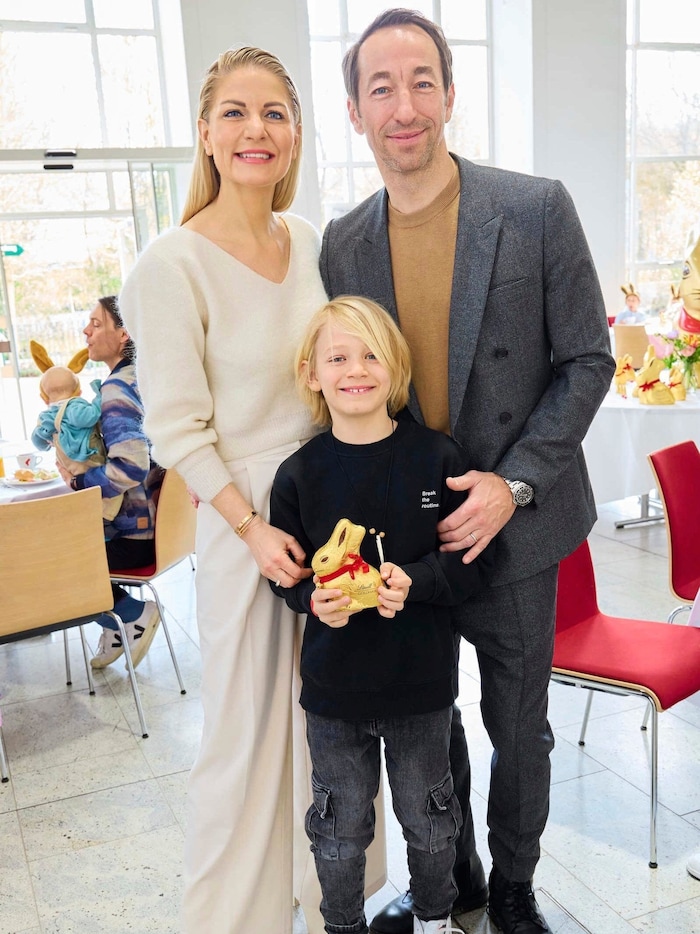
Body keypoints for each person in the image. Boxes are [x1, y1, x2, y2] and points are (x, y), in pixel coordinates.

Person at [319, 10, 615, 934]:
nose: (403, 106)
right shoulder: (343, 243)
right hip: (407, 534)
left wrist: (512, 483)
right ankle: (463, 874)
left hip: (517, 527)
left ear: (449, 93)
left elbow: (586, 361)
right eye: (380, 88)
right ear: (356, 112)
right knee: (425, 718)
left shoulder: (533, 208)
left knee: (517, 726)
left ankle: (518, 885)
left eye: (420, 82)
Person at [119, 46, 384, 934]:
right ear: (204, 133)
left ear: (297, 130)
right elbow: (177, 429)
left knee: (333, 729)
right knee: (245, 734)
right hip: (244, 528)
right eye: (234, 112)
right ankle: (236, 918)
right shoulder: (170, 264)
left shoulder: (310, 240)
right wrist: (248, 529)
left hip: (331, 507)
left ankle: (329, 897)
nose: (254, 130)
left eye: (273, 112)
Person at [270, 296, 496, 934]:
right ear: (311, 374)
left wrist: (417, 581)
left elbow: (470, 566)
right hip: (333, 692)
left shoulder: (438, 459)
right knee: (338, 829)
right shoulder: (298, 475)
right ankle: (341, 925)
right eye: (337, 356)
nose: (355, 369)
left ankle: (434, 921)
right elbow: (288, 579)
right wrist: (313, 600)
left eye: (371, 354)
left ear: (396, 368)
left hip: (421, 687)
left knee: (429, 820)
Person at [54, 296, 162, 669]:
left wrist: (79, 482)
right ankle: (117, 629)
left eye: (97, 324)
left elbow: (129, 467)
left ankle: (132, 614)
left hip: (131, 538)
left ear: (124, 334)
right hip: (151, 529)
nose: (86, 330)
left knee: (52, 562)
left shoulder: (116, 389)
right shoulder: (144, 379)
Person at [31, 364, 124, 521]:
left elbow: (38, 442)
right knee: (107, 495)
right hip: (88, 460)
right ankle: (106, 520)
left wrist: (46, 440)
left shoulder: (46, 416)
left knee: (83, 499)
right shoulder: (76, 405)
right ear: (78, 392)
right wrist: (98, 397)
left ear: (44, 397)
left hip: (68, 466)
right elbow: (88, 418)